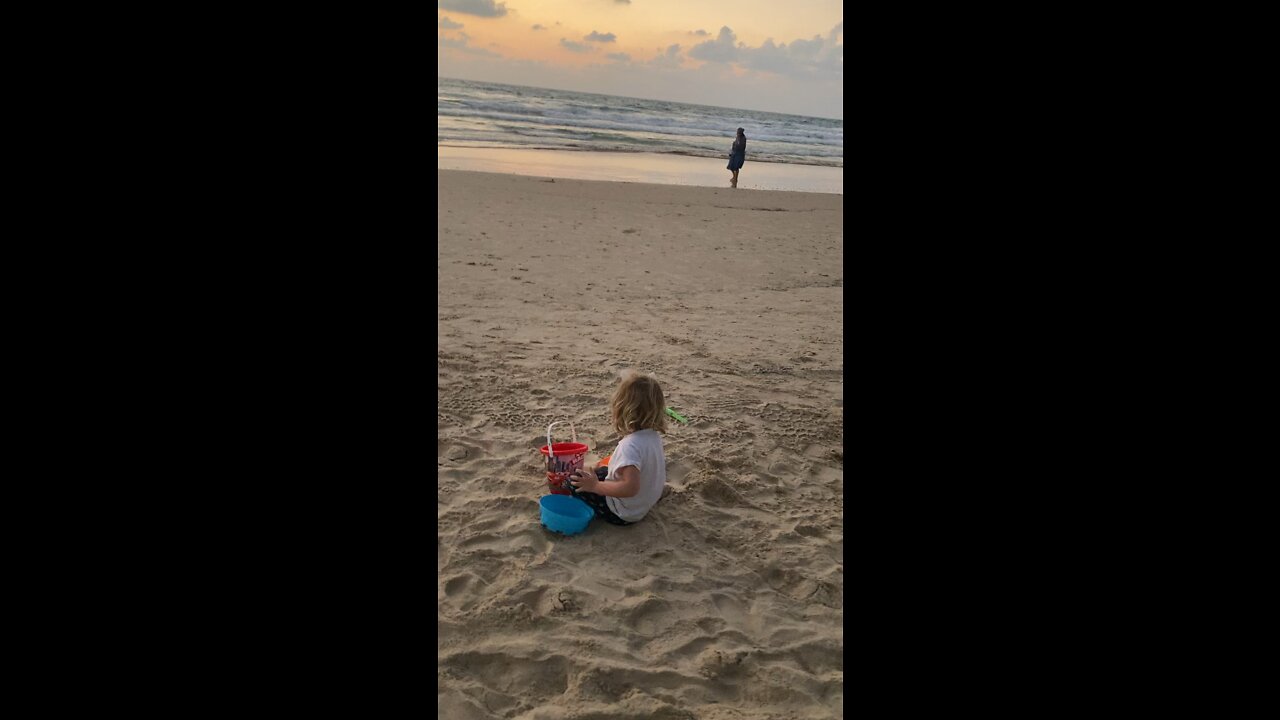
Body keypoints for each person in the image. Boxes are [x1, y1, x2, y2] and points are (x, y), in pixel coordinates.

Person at [567, 371, 668, 525]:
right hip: (642, 503)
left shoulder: (630, 446)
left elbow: (630, 488)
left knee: (572, 482)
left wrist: (596, 486)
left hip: (622, 512)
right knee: (599, 471)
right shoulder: (653, 437)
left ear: (622, 410)